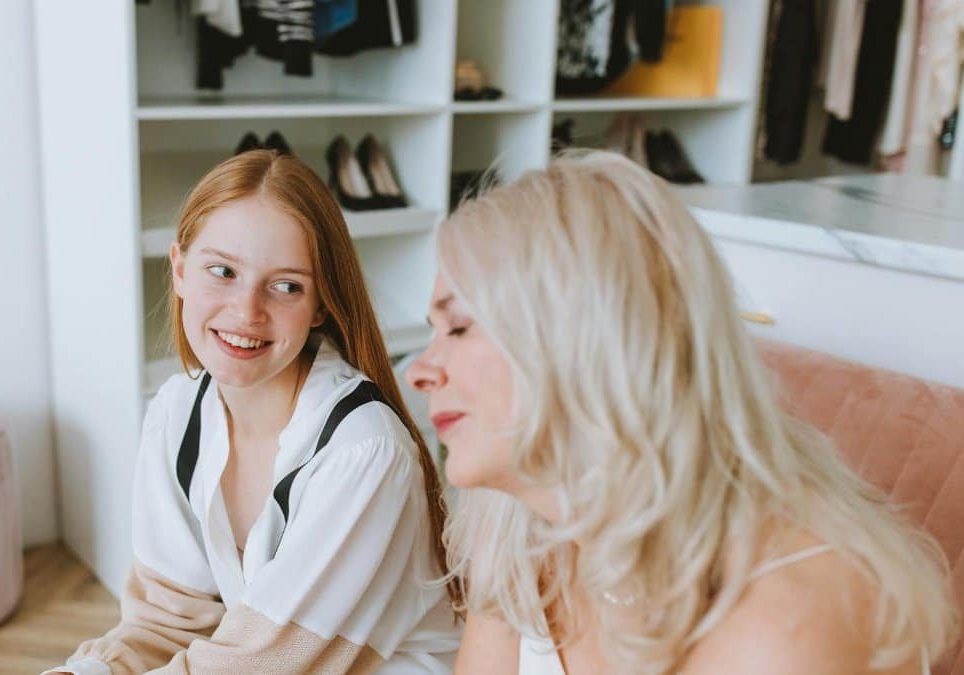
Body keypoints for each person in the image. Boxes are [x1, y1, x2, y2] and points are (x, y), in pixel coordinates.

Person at [406, 150, 959, 675]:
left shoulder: (787, 617)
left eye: (457, 327)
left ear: (581, 338)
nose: (421, 372)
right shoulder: (515, 526)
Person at [45, 149, 460, 675]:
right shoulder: (176, 413)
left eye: (286, 286)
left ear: (321, 305)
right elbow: (168, 621)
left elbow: (267, 662)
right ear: (178, 270)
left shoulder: (363, 449)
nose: (247, 311)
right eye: (222, 271)